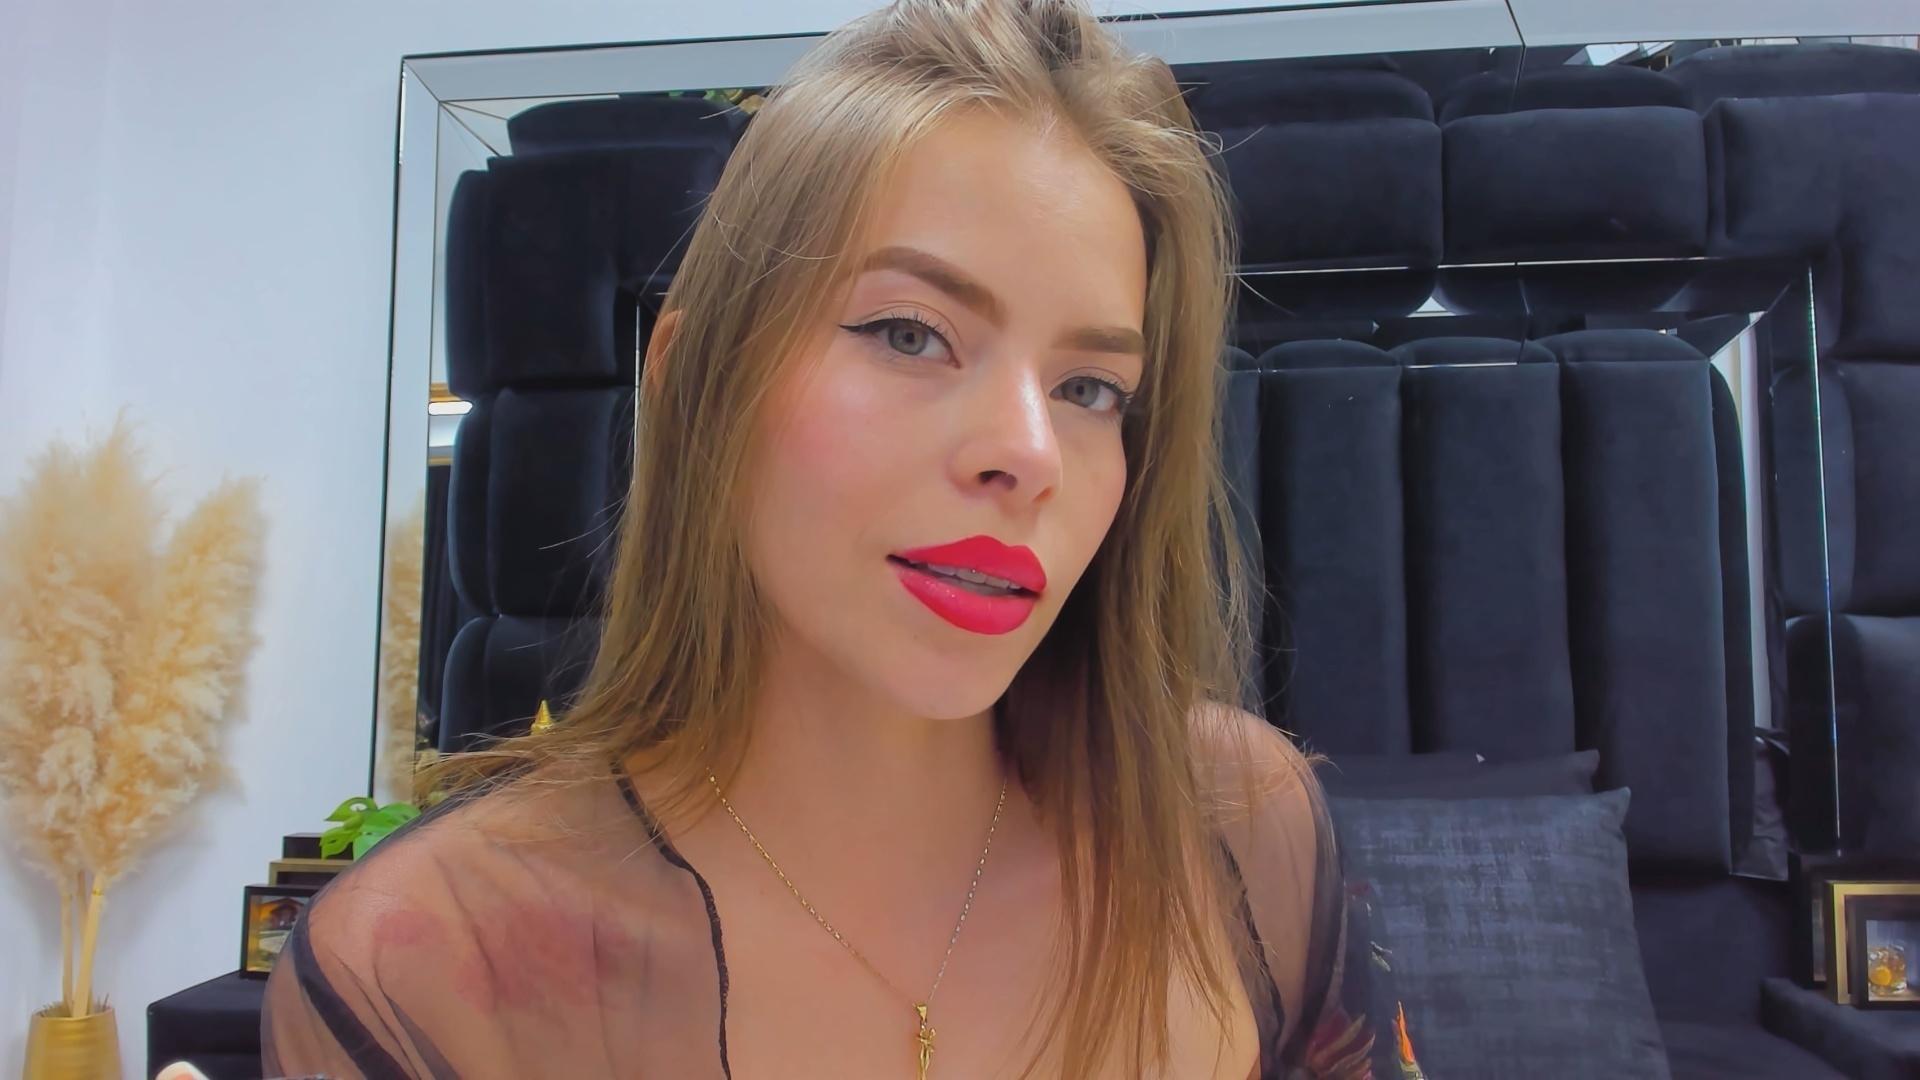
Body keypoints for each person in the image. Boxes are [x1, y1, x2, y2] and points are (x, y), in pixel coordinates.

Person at [262, 1, 1422, 1076]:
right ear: (693, 384)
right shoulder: (424, 967)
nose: (1029, 454)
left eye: (1090, 389)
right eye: (911, 333)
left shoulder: (1239, 828)